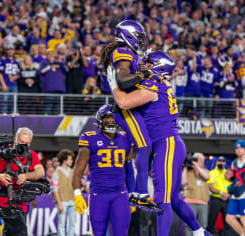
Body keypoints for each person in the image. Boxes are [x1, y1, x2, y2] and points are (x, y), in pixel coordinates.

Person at [106, 51, 211, 236]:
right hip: (169, 144)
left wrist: (113, 84)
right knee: (173, 198)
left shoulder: (152, 85)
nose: (143, 65)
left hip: (166, 145)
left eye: (147, 63)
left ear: (157, 67)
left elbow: (123, 102)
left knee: (162, 199)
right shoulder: (160, 82)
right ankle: (199, 232)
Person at [99, 20, 155, 209]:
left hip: (128, 108)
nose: (141, 41)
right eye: (138, 37)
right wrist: (144, 74)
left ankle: (133, 192)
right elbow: (123, 80)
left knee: (132, 154)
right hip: (126, 109)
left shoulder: (126, 53)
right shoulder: (123, 52)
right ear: (128, 35)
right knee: (145, 146)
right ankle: (140, 194)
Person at [72, 104, 135, 236]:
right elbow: (78, 170)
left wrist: (132, 194)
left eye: (114, 117)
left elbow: (129, 171)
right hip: (98, 195)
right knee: (98, 233)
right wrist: (77, 194)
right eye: (108, 117)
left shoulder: (126, 138)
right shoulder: (89, 138)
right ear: (100, 119)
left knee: (121, 233)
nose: (112, 120)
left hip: (120, 194)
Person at [0, 127, 45, 236]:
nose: (23, 145)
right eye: (21, 142)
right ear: (15, 140)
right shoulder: (4, 155)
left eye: (27, 143)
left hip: (23, 201)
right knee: (20, 231)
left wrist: (26, 176)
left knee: (10, 232)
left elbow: (41, 172)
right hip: (5, 201)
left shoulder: (32, 155)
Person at [182, 153, 210, 236]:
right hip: (190, 202)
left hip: (203, 203)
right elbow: (183, 182)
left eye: (198, 159)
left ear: (202, 161)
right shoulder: (187, 171)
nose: (196, 161)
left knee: (202, 226)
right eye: (195, 159)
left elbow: (206, 177)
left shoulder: (205, 171)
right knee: (189, 225)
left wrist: (197, 166)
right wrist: (185, 167)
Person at [206, 156, 235, 235]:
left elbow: (232, 186)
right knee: (211, 222)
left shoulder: (228, 173)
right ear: (216, 163)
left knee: (228, 222)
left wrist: (228, 194)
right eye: (219, 162)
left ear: (225, 163)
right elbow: (210, 187)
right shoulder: (212, 173)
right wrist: (221, 193)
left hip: (226, 200)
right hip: (215, 199)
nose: (221, 163)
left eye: (222, 162)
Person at [52, 149, 76, 236]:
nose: (72, 161)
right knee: (61, 224)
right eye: (70, 159)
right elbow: (55, 189)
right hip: (62, 201)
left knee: (72, 224)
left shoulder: (73, 171)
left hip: (72, 201)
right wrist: (59, 203)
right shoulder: (56, 172)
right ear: (64, 160)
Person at [0, 45, 21, 114]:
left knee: (14, 101)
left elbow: (19, 74)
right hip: (6, 84)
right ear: (7, 51)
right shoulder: (2, 60)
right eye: (9, 50)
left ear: (14, 51)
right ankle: (4, 115)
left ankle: (14, 114)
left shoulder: (17, 61)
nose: (10, 51)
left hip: (14, 84)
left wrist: (14, 77)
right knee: (5, 100)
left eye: (12, 50)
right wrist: (3, 84)